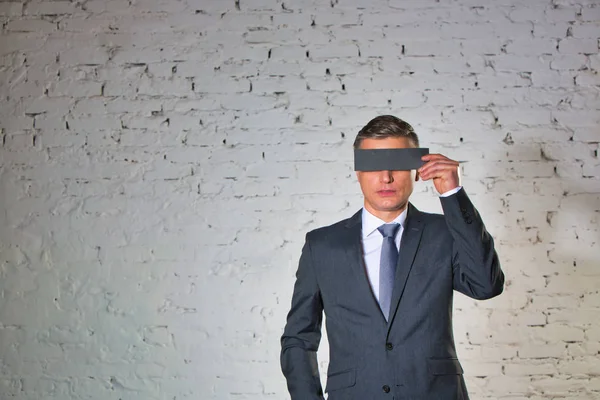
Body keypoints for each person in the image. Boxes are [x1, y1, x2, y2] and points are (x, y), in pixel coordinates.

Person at [280, 115, 504, 400]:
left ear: (417, 169)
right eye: (373, 165)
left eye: (398, 164)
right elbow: (298, 339)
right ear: (358, 171)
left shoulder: (444, 233)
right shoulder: (322, 245)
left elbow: (486, 285)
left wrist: (453, 194)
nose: (386, 177)